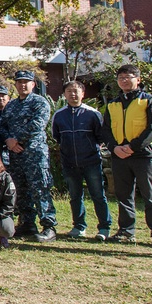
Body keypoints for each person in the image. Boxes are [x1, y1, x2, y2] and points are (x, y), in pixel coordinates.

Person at [101, 64, 152, 247]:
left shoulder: (149, 101)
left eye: (128, 77)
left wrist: (133, 147)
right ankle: (126, 231)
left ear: (138, 79)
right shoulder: (113, 104)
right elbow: (105, 130)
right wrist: (114, 147)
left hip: (144, 155)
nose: (124, 80)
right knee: (124, 195)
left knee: (150, 195)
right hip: (119, 156)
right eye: (121, 77)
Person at [0, 71, 56, 242]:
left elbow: (37, 125)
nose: (23, 85)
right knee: (20, 190)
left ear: (33, 84)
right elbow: (2, 125)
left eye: (26, 82)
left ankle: (49, 225)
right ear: (15, 85)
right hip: (15, 155)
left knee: (40, 189)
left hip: (34, 153)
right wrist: (8, 140)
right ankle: (27, 223)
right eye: (19, 82)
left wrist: (16, 140)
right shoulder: (11, 105)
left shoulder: (40, 102)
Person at [52, 81, 112, 240]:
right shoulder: (59, 115)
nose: (73, 94)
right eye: (69, 91)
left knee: (98, 195)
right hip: (69, 162)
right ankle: (79, 227)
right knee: (75, 196)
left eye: (76, 91)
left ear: (83, 93)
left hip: (91, 161)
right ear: (64, 94)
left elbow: (100, 137)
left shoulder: (93, 114)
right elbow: (57, 137)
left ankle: (104, 228)